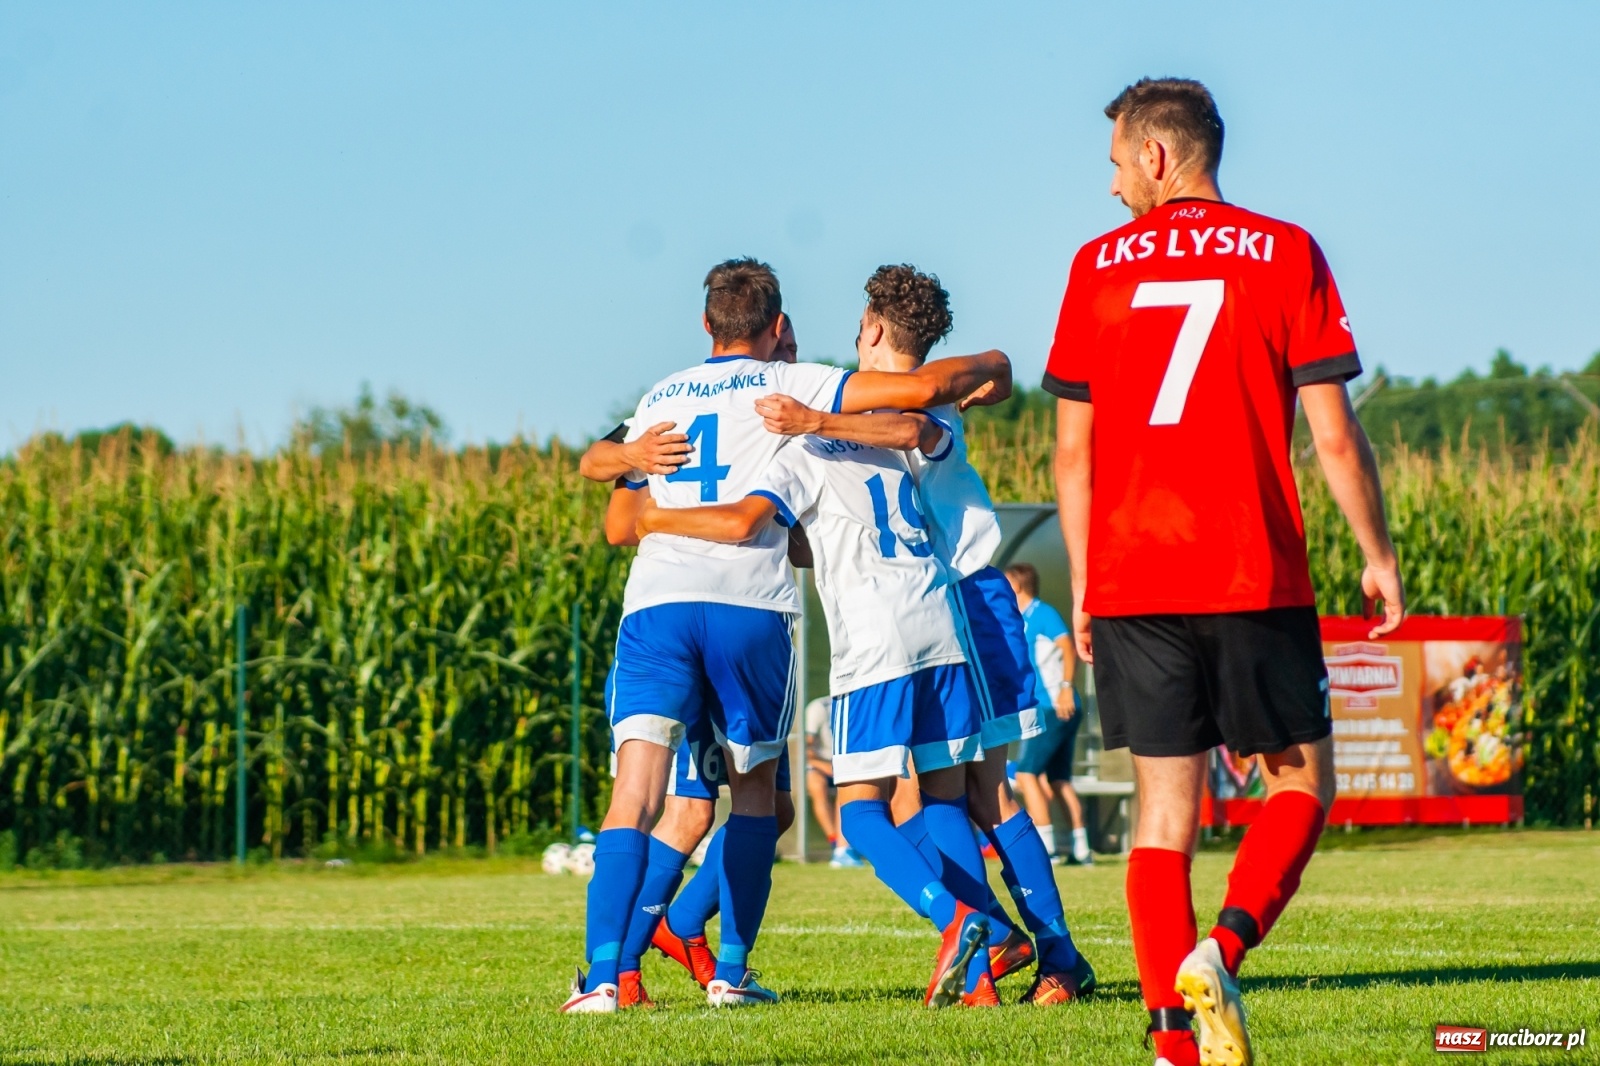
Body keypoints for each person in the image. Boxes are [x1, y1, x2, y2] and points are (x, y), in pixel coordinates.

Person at [1046, 78, 1405, 1065]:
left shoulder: (1093, 267)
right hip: (1250, 567)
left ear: (1158, 157)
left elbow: (1069, 455)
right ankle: (1225, 946)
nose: (1113, 184)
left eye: (1117, 162)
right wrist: (1376, 554)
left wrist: (1081, 582)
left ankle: (1174, 1048)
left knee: (1164, 815)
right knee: (1301, 784)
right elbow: (1332, 437)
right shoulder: (1286, 250)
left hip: (1127, 575)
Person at [564, 257, 1013, 1013]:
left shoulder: (659, 396)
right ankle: (730, 973)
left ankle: (604, 975)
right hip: (753, 609)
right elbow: (915, 396)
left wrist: (641, 488)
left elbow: (612, 506)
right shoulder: (793, 386)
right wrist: (988, 370)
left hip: (658, 605)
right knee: (755, 799)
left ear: (706, 324)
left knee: (636, 794)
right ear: (777, 329)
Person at [755, 266, 1093, 1005]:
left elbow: (922, 418)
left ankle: (1054, 955)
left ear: (874, 330)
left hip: (968, 599)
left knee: (982, 792)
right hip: (943, 603)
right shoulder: (895, 405)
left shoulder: (918, 402)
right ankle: (993, 952)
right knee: (948, 795)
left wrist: (813, 423)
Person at [637, 388, 1005, 1009]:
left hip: (867, 640)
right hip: (940, 625)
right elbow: (935, 418)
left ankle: (956, 919)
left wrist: (656, 517)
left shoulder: (796, 449)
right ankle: (983, 980)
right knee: (938, 801)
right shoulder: (895, 434)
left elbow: (741, 524)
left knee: (856, 811)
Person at [1005, 562, 1092, 867]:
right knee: (1058, 780)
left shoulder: (1042, 614)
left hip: (1052, 706)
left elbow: (1067, 646)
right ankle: (1082, 849)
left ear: (1017, 586)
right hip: (1052, 706)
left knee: (1027, 773)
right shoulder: (1020, 618)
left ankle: (1046, 849)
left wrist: (1067, 686)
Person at [800, 695, 863, 867]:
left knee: (846, 786)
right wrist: (826, 766)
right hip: (822, 764)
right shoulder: (819, 707)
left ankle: (845, 849)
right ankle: (836, 843)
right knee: (815, 784)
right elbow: (806, 749)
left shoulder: (858, 701)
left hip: (851, 765)